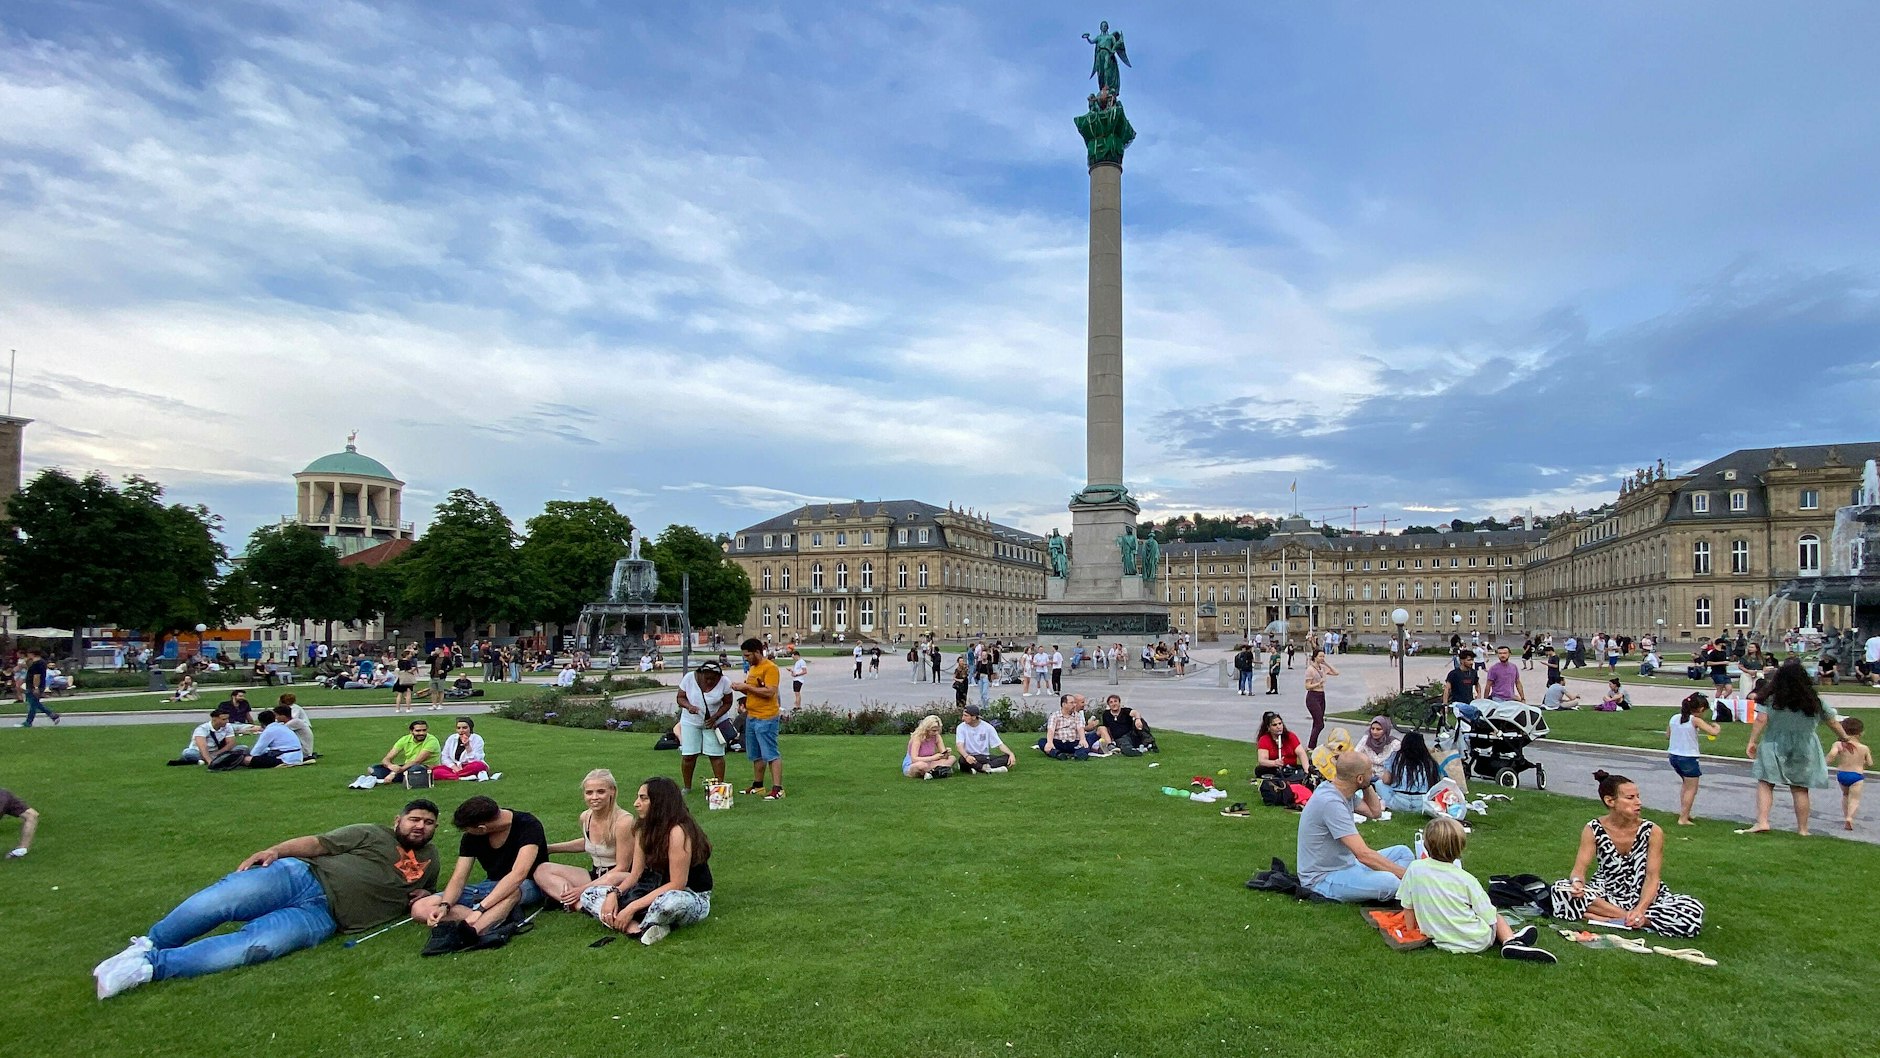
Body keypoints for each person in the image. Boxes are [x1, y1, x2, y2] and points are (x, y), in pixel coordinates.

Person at [92, 801, 442, 998]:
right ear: (398, 820)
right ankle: (149, 944)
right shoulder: (372, 832)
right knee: (219, 902)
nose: (420, 827)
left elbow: (421, 897)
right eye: (414, 819)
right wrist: (275, 850)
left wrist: (427, 895)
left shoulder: (433, 859)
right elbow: (318, 844)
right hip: (299, 877)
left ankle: (146, 968)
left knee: (253, 946)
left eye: (428, 823)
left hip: (324, 919)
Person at [1550, 771, 1704, 937]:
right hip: (1606, 892)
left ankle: (1607, 918)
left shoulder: (1652, 831)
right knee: (1560, 890)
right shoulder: (1593, 829)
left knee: (1692, 909)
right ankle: (1634, 920)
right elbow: (1579, 870)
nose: (1639, 802)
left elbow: (1653, 877)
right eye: (1630, 798)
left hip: (1644, 895)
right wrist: (1577, 884)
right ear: (1610, 801)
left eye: (1638, 796)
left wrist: (1640, 909)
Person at [1400, 816, 1556, 963]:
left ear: (1426, 845)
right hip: (1476, 941)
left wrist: (1411, 931)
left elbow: (1407, 905)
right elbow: (1488, 914)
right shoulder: (1466, 879)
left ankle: (1513, 939)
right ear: (1460, 848)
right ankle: (1510, 941)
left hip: (1440, 938)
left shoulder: (1415, 868)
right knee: (1497, 916)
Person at [579, 777, 713, 945]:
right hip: (650, 888)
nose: (636, 803)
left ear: (660, 802)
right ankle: (637, 927)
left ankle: (634, 919)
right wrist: (614, 893)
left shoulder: (678, 831)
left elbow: (677, 884)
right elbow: (635, 874)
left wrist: (631, 907)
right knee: (589, 895)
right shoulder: (643, 829)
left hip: (687, 894)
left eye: (643, 798)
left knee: (670, 903)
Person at [1742, 658, 1853, 836]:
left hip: (1774, 742)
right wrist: (1844, 737)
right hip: (1805, 744)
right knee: (1800, 788)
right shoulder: (1813, 700)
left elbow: (1761, 719)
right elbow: (1832, 721)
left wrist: (1752, 741)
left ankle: (1762, 821)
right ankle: (1803, 829)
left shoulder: (1771, 699)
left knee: (1766, 782)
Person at [412, 796, 548, 941]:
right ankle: (494, 917)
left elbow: (519, 874)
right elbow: (459, 878)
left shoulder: (528, 825)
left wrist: (481, 908)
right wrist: (445, 905)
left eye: (468, 829)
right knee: (420, 908)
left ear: (481, 828)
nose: (467, 833)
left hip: (528, 884)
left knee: (512, 891)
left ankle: (473, 931)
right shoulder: (471, 837)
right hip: (490, 886)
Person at [1295, 752, 1412, 902]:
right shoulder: (1331, 803)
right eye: (1370, 771)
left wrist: (1366, 784)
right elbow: (1363, 855)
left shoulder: (1342, 791)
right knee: (1391, 882)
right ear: (1359, 778)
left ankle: (1400, 883)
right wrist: (1408, 876)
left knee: (1403, 852)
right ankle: (1407, 885)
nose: (1374, 773)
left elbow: (1375, 812)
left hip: (1348, 865)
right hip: (1323, 878)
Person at [538, 769, 636, 907]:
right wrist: (550, 849)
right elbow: (589, 842)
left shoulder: (624, 822)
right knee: (542, 870)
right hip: (596, 874)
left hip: (619, 878)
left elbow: (622, 868)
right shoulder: (586, 817)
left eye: (600, 792)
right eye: (589, 792)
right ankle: (581, 901)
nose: (594, 797)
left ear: (612, 791)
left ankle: (578, 903)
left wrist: (581, 889)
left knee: (611, 878)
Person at [731, 637, 784, 800]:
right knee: (755, 754)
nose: (745, 659)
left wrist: (746, 687)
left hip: (766, 717)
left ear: (757, 652)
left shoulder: (770, 668)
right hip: (752, 716)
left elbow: (770, 692)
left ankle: (778, 789)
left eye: (747, 656)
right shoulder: (753, 668)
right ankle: (758, 785)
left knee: (770, 753)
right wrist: (741, 688)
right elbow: (753, 690)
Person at [676, 661, 735, 793]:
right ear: (700, 674)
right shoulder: (689, 678)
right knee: (689, 755)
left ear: (719, 677)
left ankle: (719, 787)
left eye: (713, 679)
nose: (709, 681)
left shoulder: (725, 682)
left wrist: (715, 717)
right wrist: (689, 706)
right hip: (691, 721)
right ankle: (687, 787)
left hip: (714, 723)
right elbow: (680, 697)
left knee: (716, 755)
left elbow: (728, 702)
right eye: (706, 678)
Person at [1667, 693, 1721, 825]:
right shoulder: (1695, 720)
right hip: (1688, 758)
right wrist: (1717, 727)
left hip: (1673, 756)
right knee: (1692, 788)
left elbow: (1667, 735)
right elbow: (1713, 732)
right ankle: (1683, 818)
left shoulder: (1674, 718)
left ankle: (1684, 812)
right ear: (1701, 709)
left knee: (1686, 785)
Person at [1377, 730, 1444, 816]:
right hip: (1422, 804)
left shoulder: (1396, 757)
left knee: (1379, 783)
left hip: (1399, 802)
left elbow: (1386, 780)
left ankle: (1386, 804)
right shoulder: (1430, 762)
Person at [363, 719, 441, 787]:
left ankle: (393, 777)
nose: (421, 733)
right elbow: (387, 758)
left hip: (425, 768)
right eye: (418, 731)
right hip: (407, 767)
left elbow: (417, 761)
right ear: (411, 731)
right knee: (374, 768)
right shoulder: (405, 739)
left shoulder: (432, 741)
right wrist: (391, 766)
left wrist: (394, 773)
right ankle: (403, 777)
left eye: (424, 730)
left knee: (416, 769)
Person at [168, 707, 256, 766]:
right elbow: (202, 747)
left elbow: (231, 743)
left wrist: (217, 754)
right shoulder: (202, 729)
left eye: (227, 719)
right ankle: (221, 759)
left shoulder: (228, 726)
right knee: (188, 753)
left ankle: (216, 759)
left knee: (243, 748)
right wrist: (210, 762)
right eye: (223, 719)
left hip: (217, 751)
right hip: (200, 752)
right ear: (215, 719)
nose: (226, 721)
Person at [1827, 718, 1869, 832]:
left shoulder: (1839, 744)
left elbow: (1831, 756)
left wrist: (1825, 762)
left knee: (1845, 795)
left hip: (1842, 774)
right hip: (1857, 775)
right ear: (1861, 733)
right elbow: (1870, 763)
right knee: (1854, 798)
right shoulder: (1864, 748)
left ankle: (1846, 816)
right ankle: (1850, 817)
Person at [1087, 693, 1155, 755]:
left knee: (1141, 721)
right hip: (1119, 738)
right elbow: (1107, 728)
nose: (1114, 704)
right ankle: (1132, 751)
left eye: (1115, 701)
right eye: (1111, 702)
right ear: (1108, 705)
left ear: (1119, 703)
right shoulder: (1106, 714)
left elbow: (1135, 712)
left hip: (1132, 734)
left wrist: (1137, 719)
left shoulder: (1125, 711)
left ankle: (1149, 743)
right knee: (1126, 747)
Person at [954, 704, 1014, 773]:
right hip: (970, 756)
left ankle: (978, 768)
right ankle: (989, 769)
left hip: (984, 757)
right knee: (962, 760)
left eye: (966, 716)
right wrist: (966, 756)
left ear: (973, 717)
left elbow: (1000, 744)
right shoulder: (961, 727)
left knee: (1006, 758)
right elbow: (959, 746)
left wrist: (1011, 754)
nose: (962, 718)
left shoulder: (987, 727)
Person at [1302, 648, 1341, 749]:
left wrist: (1326, 663)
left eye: (1323, 656)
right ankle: (1311, 746)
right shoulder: (1310, 670)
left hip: (1321, 696)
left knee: (1317, 722)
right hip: (1312, 696)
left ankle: (1312, 746)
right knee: (1320, 723)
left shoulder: (1322, 668)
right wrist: (1318, 683)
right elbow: (1307, 686)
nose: (1322, 658)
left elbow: (1336, 672)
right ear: (1315, 657)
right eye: (1320, 656)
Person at [433, 717, 494, 781]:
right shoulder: (452, 738)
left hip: (470, 765)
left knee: (479, 766)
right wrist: (455, 768)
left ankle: (457, 776)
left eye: (464, 728)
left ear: (470, 728)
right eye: (458, 728)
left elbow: (475, 760)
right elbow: (445, 757)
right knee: (434, 771)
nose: (461, 730)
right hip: (455, 767)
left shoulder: (477, 739)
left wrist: (467, 746)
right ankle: (463, 777)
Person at [1255, 711, 1309, 777]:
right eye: (1274, 725)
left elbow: (1301, 753)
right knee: (1260, 770)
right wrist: (1274, 763)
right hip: (1274, 768)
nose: (1278, 727)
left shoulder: (1290, 736)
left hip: (1291, 767)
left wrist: (1307, 771)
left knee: (1304, 769)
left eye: (1280, 723)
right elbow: (1262, 760)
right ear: (1268, 727)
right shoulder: (1264, 739)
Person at [902, 714, 956, 779]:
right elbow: (914, 759)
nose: (936, 733)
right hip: (914, 764)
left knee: (952, 758)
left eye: (937, 730)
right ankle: (939, 770)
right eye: (934, 731)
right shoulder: (917, 738)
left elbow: (943, 756)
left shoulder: (937, 736)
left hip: (930, 763)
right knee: (922, 765)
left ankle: (934, 771)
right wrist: (933, 758)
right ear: (926, 729)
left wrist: (946, 753)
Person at [1037, 694, 1089, 760]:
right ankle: (1058, 754)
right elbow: (1051, 730)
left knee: (1086, 744)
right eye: (1071, 703)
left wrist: (1082, 739)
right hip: (1058, 742)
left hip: (1073, 742)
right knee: (1042, 741)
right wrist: (1050, 742)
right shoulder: (1055, 715)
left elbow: (1080, 728)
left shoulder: (1077, 715)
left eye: (1075, 703)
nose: (1074, 705)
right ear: (1064, 704)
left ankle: (1079, 755)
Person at [18, 647, 59, 727]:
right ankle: (51, 716)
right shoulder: (40, 662)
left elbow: (37, 676)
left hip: (33, 686)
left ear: (32, 654)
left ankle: (51, 715)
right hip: (34, 685)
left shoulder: (37, 663)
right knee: (34, 704)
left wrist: (36, 687)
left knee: (33, 704)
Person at [1356, 716, 1401, 783]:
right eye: (1372, 728)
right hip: (1367, 776)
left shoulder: (1394, 744)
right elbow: (1355, 754)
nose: (1374, 732)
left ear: (1385, 730)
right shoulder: (1366, 740)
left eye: (1378, 729)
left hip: (1385, 779)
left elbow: (1399, 764)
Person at [1443, 650, 1482, 722]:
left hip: (1470, 703)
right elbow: (1447, 689)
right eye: (1469, 660)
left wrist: (1479, 695)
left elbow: (1477, 684)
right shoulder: (1454, 674)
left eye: (1472, 660)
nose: (1471, 662)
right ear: (1461, 660)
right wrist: (1445, 705)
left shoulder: (1473, 672)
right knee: (1463, 724)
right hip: (1457, 704)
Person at [1, 788, 39, 859]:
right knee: (31, 815)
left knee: (31, 815)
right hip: (4, 795)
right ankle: (22, 849)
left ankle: (21, 850)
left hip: (3, 797)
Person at [427, 647, 452, 711]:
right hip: (433, 676)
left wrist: (444, 670)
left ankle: (440, 704)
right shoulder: (434, 657)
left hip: (441, 677)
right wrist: (431, 655)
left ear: (441, 650)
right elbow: (427, 661)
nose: (435, 651)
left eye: (436, 650)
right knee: (433, 691)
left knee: (441, 691)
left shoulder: (446, 658)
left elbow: (451, 667)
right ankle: (434, 704)